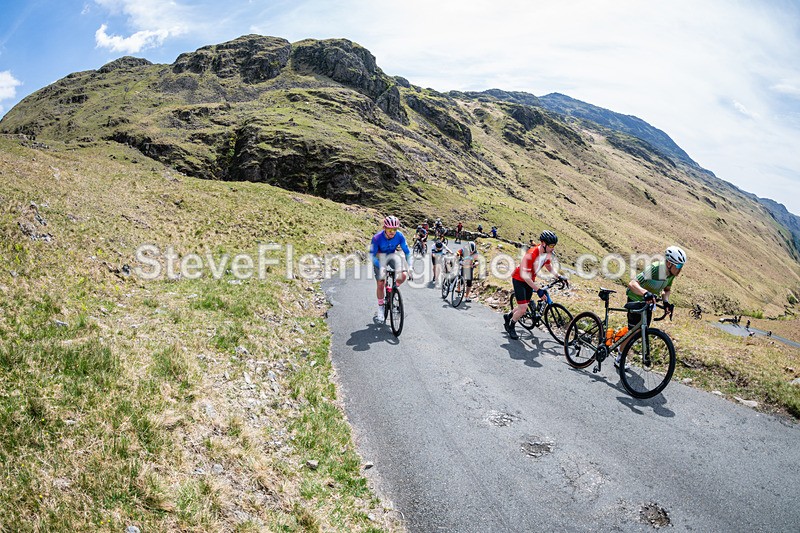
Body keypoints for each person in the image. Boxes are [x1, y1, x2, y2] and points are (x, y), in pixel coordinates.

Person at [621, 246, 686, 367]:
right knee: (633, 331)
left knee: (642, 330)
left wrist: (666, 302)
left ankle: (624, 345)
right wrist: (645, 293)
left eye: (681, 266)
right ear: (668, 263)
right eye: (678, 266)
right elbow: (632, 283)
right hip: (636, 299)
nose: (680, 269)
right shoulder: (656, 268)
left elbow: (666, 289)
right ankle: (620, 357)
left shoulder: (670, 275)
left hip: (649, 303)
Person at [504, 231, 563, 339]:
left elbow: (548, 266)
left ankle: (508, 316)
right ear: (543, 244)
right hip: (519, 279)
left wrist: (558, 276)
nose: (553, 248)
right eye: (551, 245)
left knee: (523, 306)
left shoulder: (546, 254)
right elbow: (525, 276)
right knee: (523, 308)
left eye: (554, 246)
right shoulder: (531, 254)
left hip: (529, 280)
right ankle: (511, 326)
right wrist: (538, 290)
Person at [370, 216, 412, 320]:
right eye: (389, 229)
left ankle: (393, 289)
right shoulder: (377, 238)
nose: (392, 232)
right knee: (381, 282)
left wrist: (410, 266)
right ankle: (380, 307)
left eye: (395, 229)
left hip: (392, 256)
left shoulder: (399, 236)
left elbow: (407, 252)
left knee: (403, 274)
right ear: (384, 228)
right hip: (379, 258)